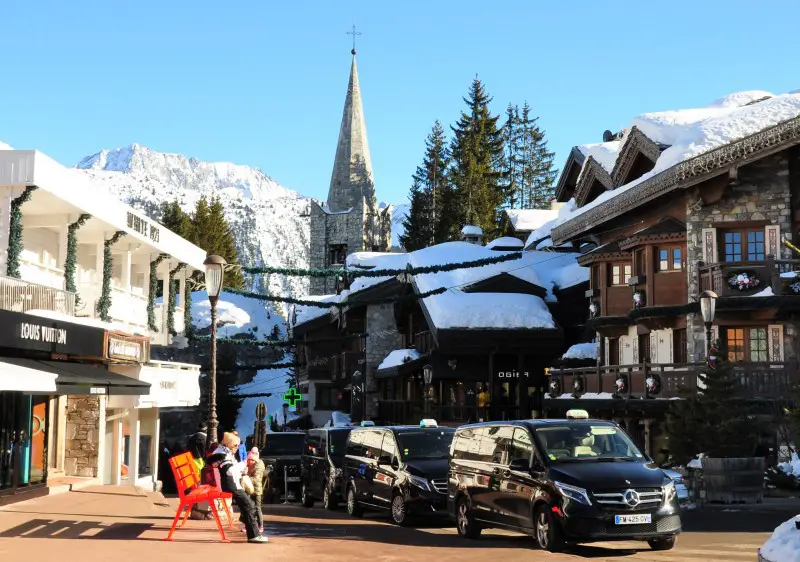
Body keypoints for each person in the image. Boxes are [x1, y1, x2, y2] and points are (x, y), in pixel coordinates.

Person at [206, 432, 268, 544]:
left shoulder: (221, 452)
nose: (237, 448)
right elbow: (230, 471)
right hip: (230, 485)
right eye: (236, 445)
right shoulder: (223, 455)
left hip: (230, 484)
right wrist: (243, 464)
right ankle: (254, 535)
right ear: (230, 444)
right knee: (249, 505)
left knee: (248, 505)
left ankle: (252, 531)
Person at [246, 448, 266, 533]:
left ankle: (261, 525)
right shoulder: (251, 464)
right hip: (250, 488)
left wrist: (245, 478)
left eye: (250, 460)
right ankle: (249, 524)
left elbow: (257, 478)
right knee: (249, 507)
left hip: (257, 489)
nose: (249, 461)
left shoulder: (259, 464)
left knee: (257, 508)